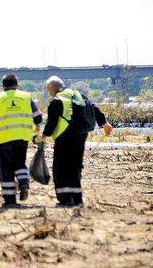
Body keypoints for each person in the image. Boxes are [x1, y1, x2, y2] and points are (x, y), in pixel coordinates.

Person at [39, 76, 112, 207]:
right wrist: (104, 123)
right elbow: (94, 108)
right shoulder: (79, 95)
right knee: (75, 166)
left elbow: (52, 123)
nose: (49, 93)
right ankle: (77, 199)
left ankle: (65, 198)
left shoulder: (57, 100)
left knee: (60, 167)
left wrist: (43, 137)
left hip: (64, 137)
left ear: (51, 89)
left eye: (48, 90)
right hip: (81, 136)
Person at [0, 74, 42, 206]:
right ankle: (24, 182)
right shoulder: (26, 97)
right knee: (19, 163)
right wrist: (37, 125)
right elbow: (37, 115)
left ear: (3, 86)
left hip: (4, 139)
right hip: (22, 138)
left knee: (5, 168)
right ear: (17, 84)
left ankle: (10, 200)